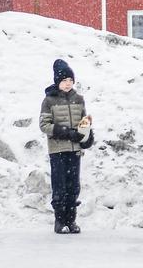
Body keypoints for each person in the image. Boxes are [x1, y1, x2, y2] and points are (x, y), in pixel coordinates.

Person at [40, 58, 94, 234]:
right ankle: (60, 221)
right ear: (57, 81)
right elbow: (44, 125)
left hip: (74, 151)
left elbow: (84, 122)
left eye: (70, 80)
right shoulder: (49, 100)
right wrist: (66, 132)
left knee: (73, 187)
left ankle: (71, 221)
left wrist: (87, 136)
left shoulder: (79, 99)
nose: (68, 83)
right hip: (58, 150)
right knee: (60, 186)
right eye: (64, 80)